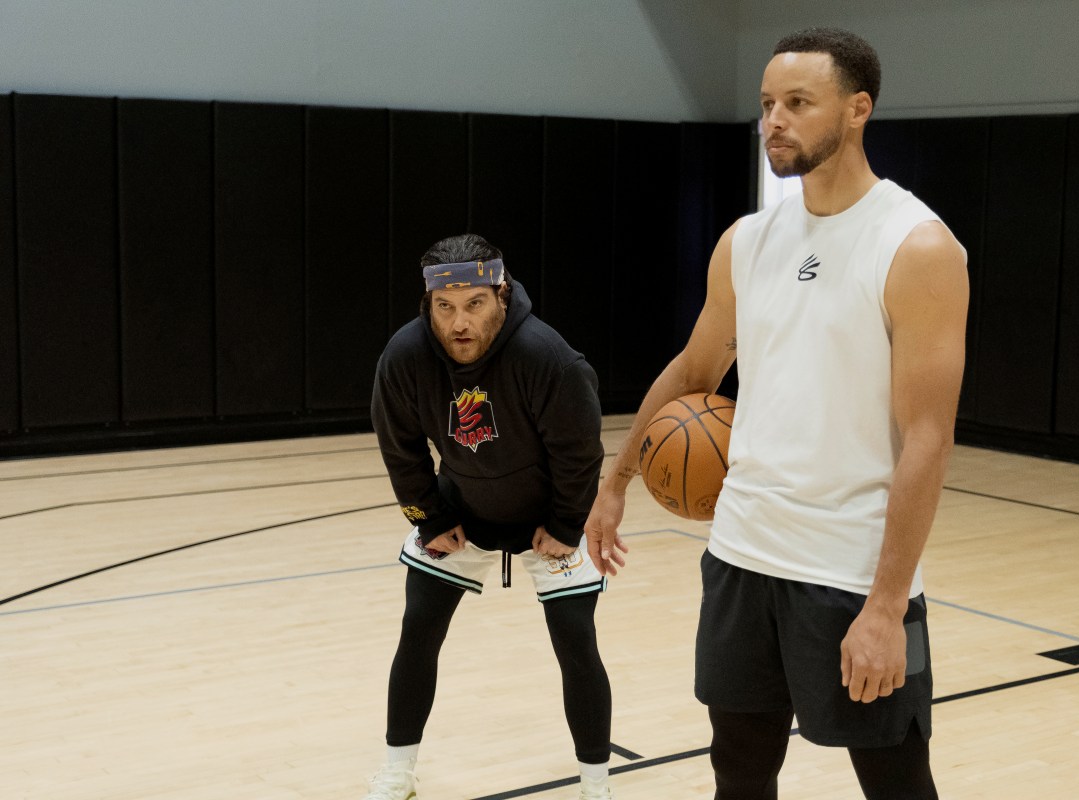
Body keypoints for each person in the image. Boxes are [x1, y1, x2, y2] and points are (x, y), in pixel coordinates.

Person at [586, 28, 967, 800]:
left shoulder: (915, 246)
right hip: (741, 556)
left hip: (847, 572)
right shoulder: (747, 241)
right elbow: (695, 370)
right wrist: (616, 477)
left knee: (895, 779)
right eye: (766, 105)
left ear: (858, 109)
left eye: (798, 103)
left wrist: (887, 607)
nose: (774, 122)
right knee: (740, 770)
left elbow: (929, 437)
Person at [365, 233, 615, 800]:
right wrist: (429, 518)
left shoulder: (547, 357)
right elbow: (397, 446)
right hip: (461, 512)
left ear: (501, 294)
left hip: (550, 521)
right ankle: (397, 772)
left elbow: (581, 453)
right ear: (426, 303)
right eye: (444, 307)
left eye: (474, 304)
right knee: (418, 632)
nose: (459, 323)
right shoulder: (404, 358)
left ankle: (595, 787)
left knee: (577, 643)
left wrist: (567, 526)